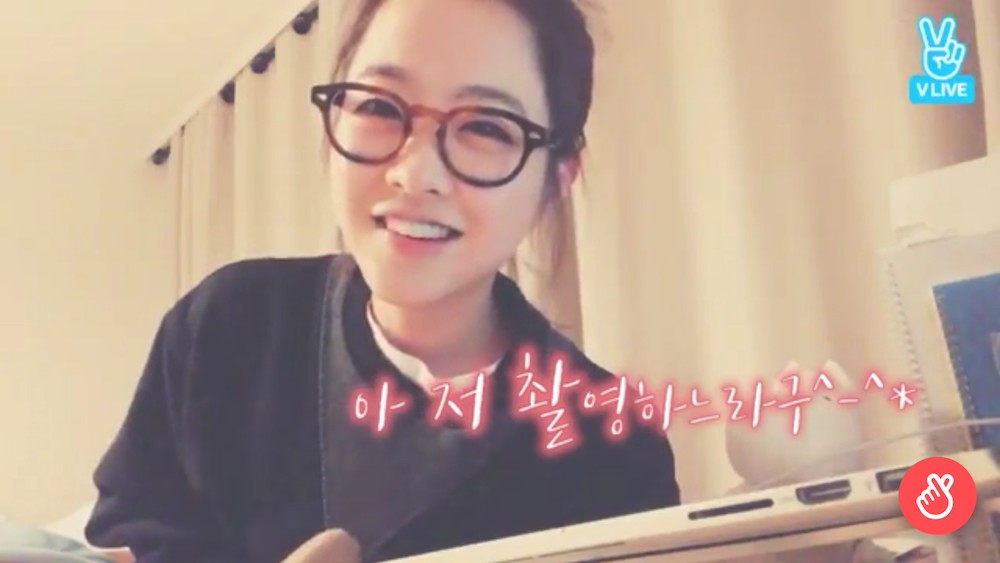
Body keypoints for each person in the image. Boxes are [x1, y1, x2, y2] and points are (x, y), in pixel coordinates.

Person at [84, 0, 681, 561]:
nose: (415, 174)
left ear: (556, 180)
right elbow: (128, 533)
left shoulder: (617, 448)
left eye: (486, 127)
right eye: (378, 107)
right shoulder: (227, 328)